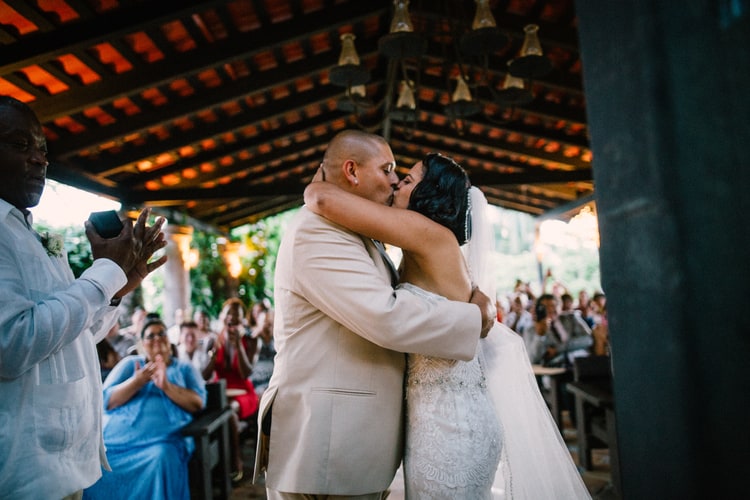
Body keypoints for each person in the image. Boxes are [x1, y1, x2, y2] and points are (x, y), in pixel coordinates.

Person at [304, 151, 591, 498]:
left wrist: (322, 174)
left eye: (407, 180)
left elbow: (319, 197)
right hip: (436, 418)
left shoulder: (427, 233)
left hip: (453, 425)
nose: (396, 184)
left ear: (430, 194)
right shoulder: (425, 243)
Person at [253, 130, 495, 499]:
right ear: (352, 171)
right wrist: (473, 318)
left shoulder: (368, 232)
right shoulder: (317, 231)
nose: (395, 180)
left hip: (367, 441)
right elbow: (386, 316)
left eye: (403, 175)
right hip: (328, 445)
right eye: (388, 169)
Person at [0, 95, 168, 499]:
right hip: (24, 472)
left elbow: (69, 337)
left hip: (65, 466)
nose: (40, 160)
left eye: (42, 149)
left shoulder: (27, 234)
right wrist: (102, 273)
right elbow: (11, 342)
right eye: (21, 146)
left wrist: (115, 289)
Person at [83, 317, 206, 500]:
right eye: (150, 336)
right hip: (115, 441)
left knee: (161, 458)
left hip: (160, 443)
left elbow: (198, 403)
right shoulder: (130, 364)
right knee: (92, 462)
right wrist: (137, 381)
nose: (157, 338)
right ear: (142, 343)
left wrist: (166, 386)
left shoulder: (184, 368)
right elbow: (104, 401)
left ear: (169, 339)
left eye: (161, 333)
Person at [205, 297, 259, 482]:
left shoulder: (250, 341)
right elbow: (205, 375)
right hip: (221, 393)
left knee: (228, 411)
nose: (232, 318)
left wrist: (238, 347)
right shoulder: (213, 340)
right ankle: (219, 463)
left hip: (243, 394)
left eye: (237, 316)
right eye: (228, 313)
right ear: (222, 317)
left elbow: (246, 374)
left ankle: (235, 461)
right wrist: (213, 354)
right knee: (226, 414)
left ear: (242, 320)